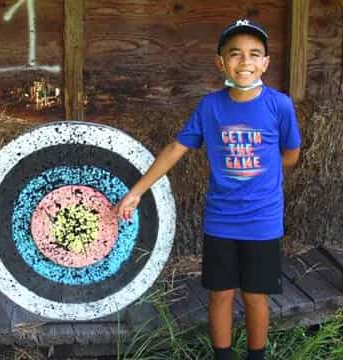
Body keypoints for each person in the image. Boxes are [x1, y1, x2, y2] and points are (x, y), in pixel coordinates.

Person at [114, 19, 301, 360]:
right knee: (220, 294)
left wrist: (265, 178)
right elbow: (175, 149)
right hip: (221, 220)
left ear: (265, 63)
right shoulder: (210, 107)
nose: (244, 62)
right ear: (220, 62)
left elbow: (290, 154)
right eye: (235, 54)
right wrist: (136, 191)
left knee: (256, 296)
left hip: (262, 221)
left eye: (254, 54)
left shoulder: (280, 105)